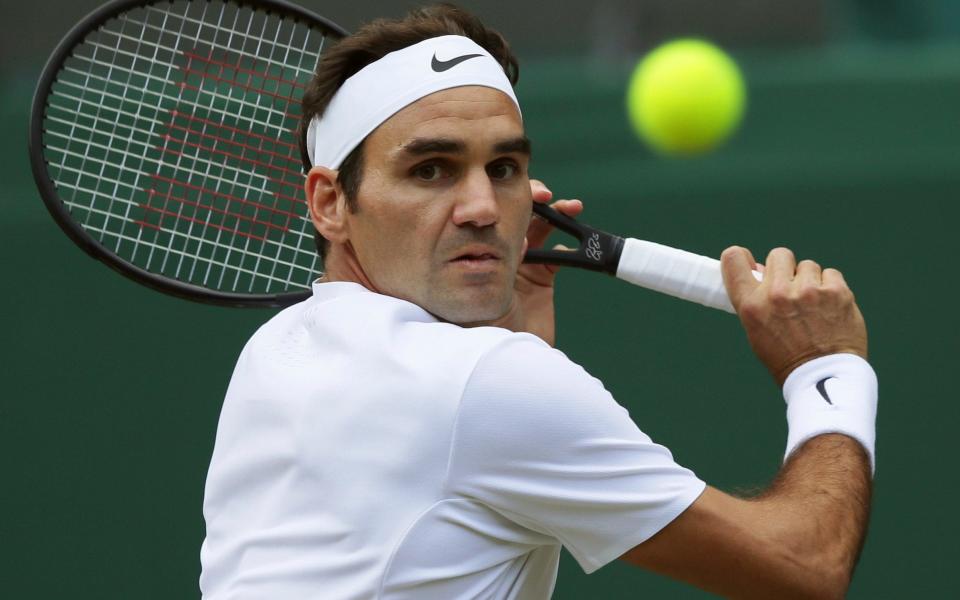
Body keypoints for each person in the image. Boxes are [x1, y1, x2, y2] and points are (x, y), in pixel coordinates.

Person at [200, 5, 877, 599]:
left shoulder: (277, 351)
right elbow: (803, 567)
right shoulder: (487, 384)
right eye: (430, 170)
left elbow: (440, 504)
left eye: (504, 169)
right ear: (329, 203)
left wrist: (518, 339)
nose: (481, 208)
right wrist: (826, 367)